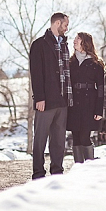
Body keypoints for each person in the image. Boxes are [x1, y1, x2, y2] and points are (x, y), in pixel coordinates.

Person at [29, 12, 71, 179]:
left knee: (59, 141)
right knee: (40, 139)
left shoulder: (65, 45)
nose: (67, 28)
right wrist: (39, 97)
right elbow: (36, 73)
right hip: (45, 101)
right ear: (57, 23)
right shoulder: (39, 44)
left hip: (62, 101)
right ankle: (38, 172)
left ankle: (57, 172)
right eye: (65, 25)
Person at [67, 32, 105, 163]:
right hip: (73, 104)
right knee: (76, 137)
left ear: (85, 42)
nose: (74, 41)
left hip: (89, 103)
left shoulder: (96, 63)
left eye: (78, 39)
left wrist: (99, 110)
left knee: (84, 136)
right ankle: (78, 167)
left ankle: (89, 166)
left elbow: (100, 88)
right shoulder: (70, 62)